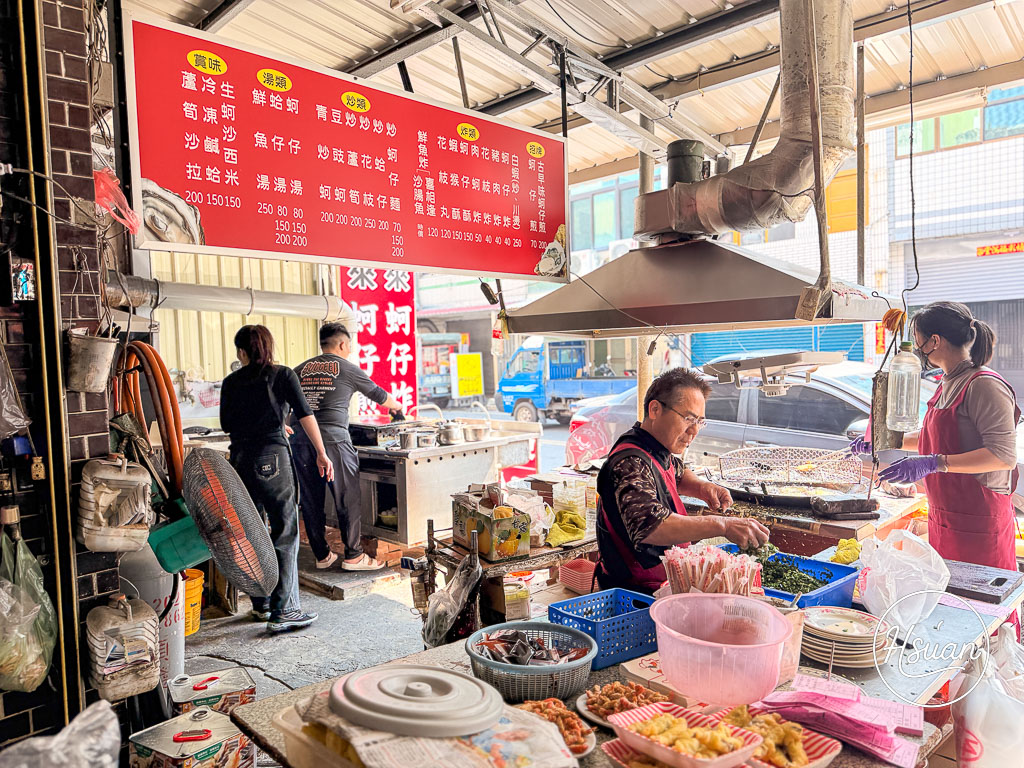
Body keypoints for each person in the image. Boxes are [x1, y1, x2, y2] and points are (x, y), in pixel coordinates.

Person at [861, 302, 1020, 573]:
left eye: (918, 341)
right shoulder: (947, 381)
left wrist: (936, 463)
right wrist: (887, 440)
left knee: (984, 609)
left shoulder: (983, 384)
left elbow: (1003, 456)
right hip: (946, 517)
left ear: (934, 341)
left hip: (979, 523)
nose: (917, 349)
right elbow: (936, 435)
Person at [595, 368, 770, 594]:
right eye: (688, 418)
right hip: (635, 594)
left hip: (664, 585)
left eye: (700, 421)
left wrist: (702, 487)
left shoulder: (656, 448)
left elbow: (675, 472)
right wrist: (722, 525)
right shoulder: (629, 462)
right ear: (655, 409)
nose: (694, 430)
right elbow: (652, 526)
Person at [220, 325, 335, 632]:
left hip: (240, 461)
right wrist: (321, 452)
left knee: (253, 533)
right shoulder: (283, 375)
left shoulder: (231, 382)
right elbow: (305, 413)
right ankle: (285, 610)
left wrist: (265, 425)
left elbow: (228, 423)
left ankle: (262, 604)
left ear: (242, 352)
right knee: (284, 531)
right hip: (273, 461)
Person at [292, 322, 406, 571]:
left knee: (310, 500)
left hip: (299, 440)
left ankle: (322, 556)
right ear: (343, 344)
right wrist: (397, 407)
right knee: (347, 498)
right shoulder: (347, 368)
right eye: (350, 345)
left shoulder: (299, 369)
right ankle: (354, 556)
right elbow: (378, 394)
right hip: (333, 441)